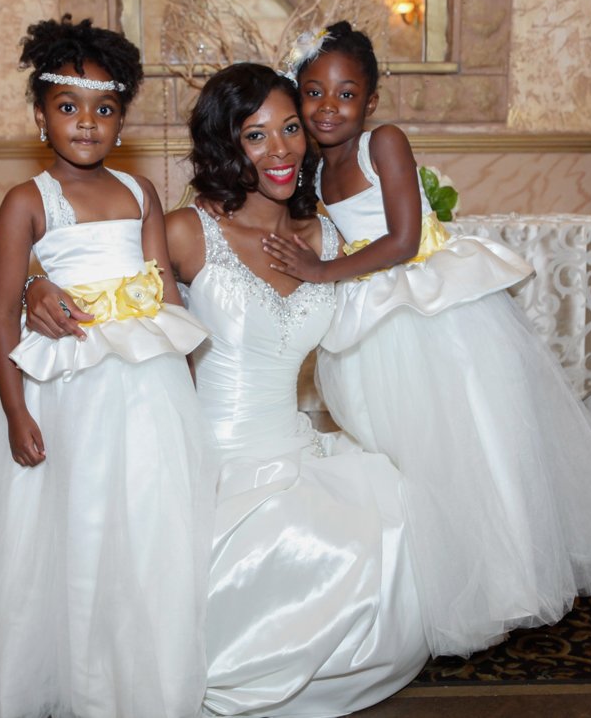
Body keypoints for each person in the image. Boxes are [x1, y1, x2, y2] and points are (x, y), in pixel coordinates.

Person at [27, 62, 429, 717]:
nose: (280, 149)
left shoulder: (327, 237)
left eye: (291, 129)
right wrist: (32, 286)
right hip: (204, 460)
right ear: (226, 145)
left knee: (391, 531)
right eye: (255, 134)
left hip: (294, 451)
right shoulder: (188, 232)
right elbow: (91, 269)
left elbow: (403, 276)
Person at [262, 21, 591, 657]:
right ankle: (438, 577)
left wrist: (320, 270)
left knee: (473, 444)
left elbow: (400, 240)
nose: (328, 107)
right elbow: (327, 232)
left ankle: (510, 581)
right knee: (413, 452)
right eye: (313, 93)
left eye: (346, 94)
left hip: (436, 312)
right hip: (375, 319)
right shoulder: (311, 170)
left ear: (370, 102)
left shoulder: (384, 145)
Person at [0, 16, 214, 718]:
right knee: (71, 521)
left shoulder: (143, 192)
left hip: (146, 384)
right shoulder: (27, 201)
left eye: (104, 109)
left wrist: (189, 385)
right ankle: (56, 673)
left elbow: (162, 293)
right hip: (69, 388)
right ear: (39, 116)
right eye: (68, 107)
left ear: (121, 120)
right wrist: (18, 411)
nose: (86, 123)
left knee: (143, 518)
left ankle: (136, 666)